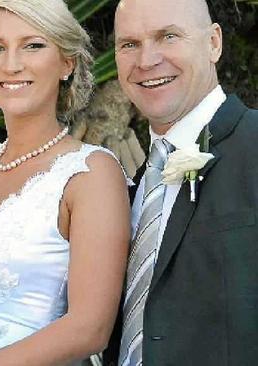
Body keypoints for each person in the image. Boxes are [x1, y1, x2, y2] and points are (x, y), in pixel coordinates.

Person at [0, 0, 131, 365]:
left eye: (33, 45)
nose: (11, 64)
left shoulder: (90, 172)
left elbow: (90, 328)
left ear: (66, 63)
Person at [103, 0, 258, 365]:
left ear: (214, 43)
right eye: (129, 44)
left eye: (168, 36)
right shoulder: (129, 187)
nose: (146, 60)